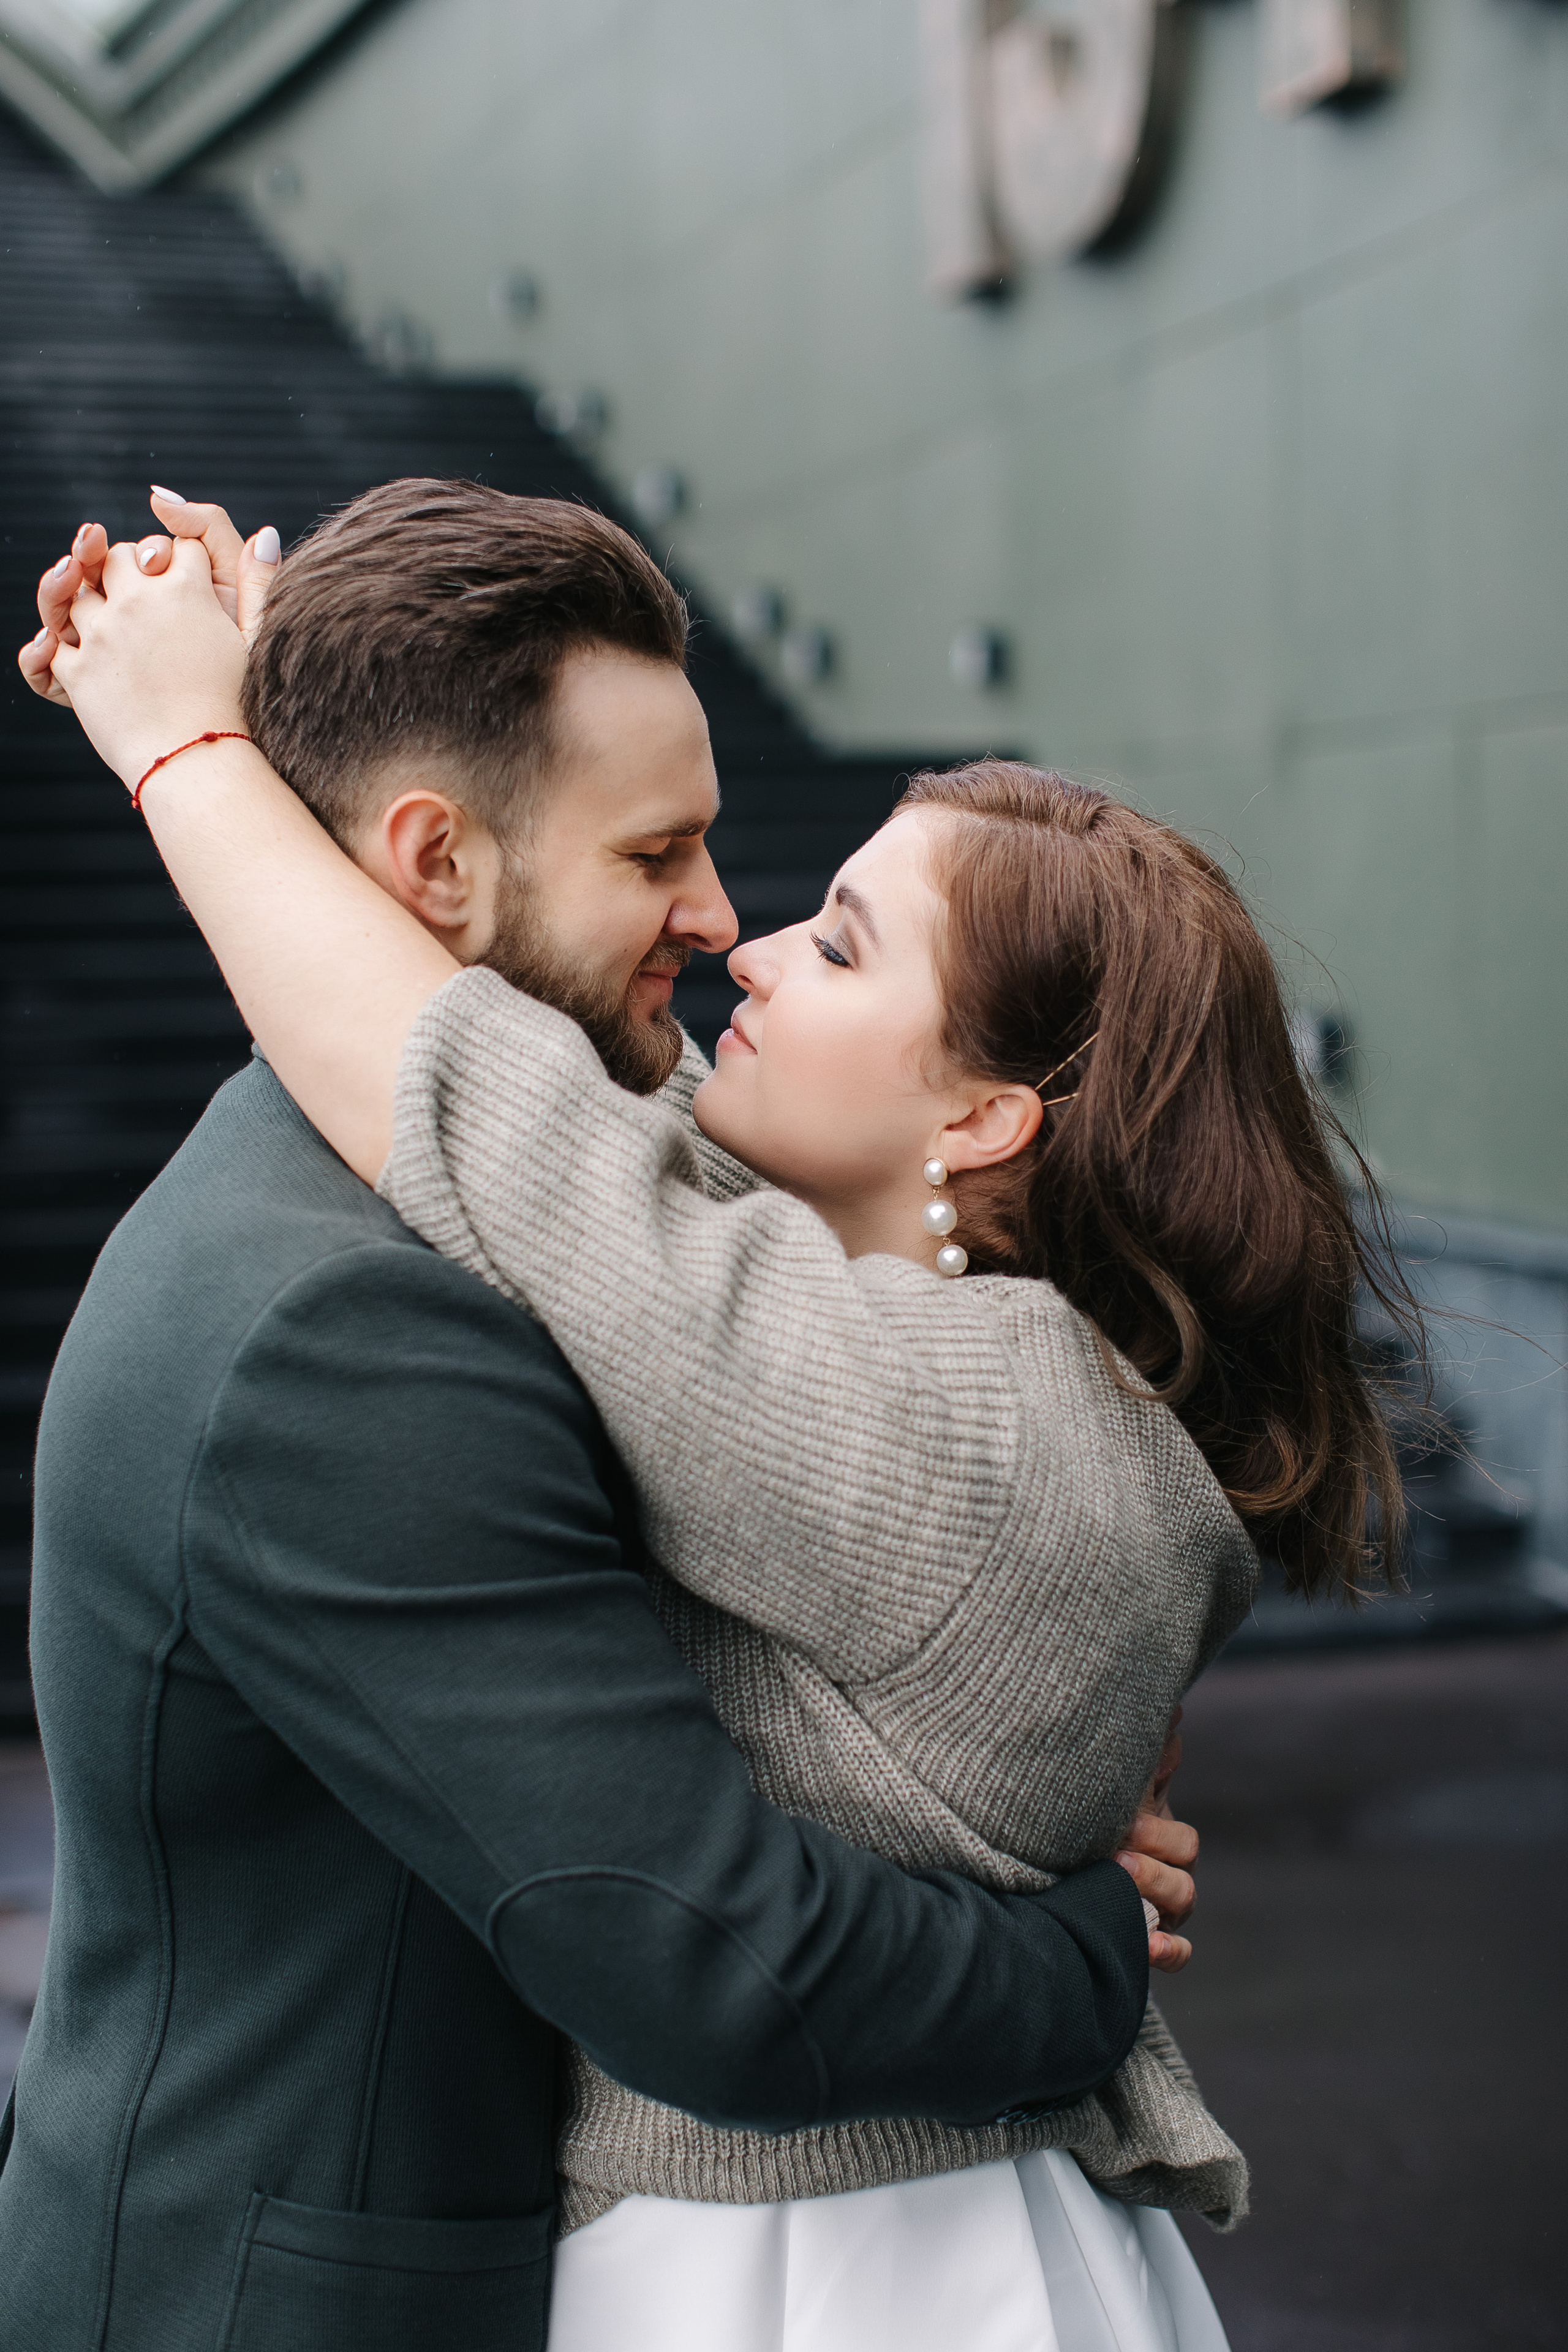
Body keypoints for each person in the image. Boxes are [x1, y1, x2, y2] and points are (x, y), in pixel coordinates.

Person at [23, 483, 1414, 2352]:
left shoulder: (949, 1400)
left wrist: (194, 745)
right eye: (661, 853)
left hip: (844, 2263)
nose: (733, 931)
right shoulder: (406, 1301)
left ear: (987, 1117)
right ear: (433, 857)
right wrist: (297, 695)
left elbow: (505, 1106)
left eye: (836, 943)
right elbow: (525, 1105)